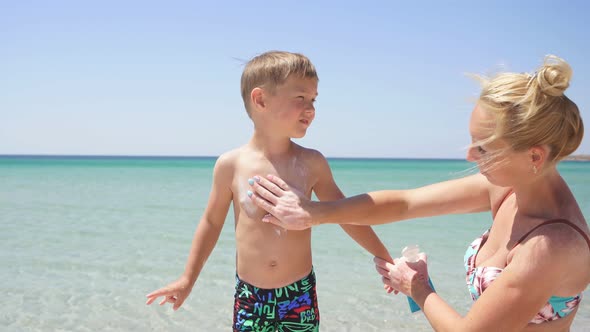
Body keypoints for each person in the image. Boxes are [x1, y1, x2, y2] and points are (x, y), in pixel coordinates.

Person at [246, 55, 589, 331]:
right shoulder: (506, 189)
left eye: (483, 148)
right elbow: (405, 203)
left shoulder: (552, 247)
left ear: (534, 156)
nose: (469, 155)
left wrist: (418, 287)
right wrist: (315, 213)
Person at [145, 50, 393, 332]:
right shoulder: (231, 165)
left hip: (298, 294)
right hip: (250, 297)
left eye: (313, 100)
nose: (310, 108)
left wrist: (384, 257)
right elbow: (211, 223)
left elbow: (345, 214)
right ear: (260, 99)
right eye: (300, 98)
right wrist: (187, 279)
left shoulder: (312, 163)